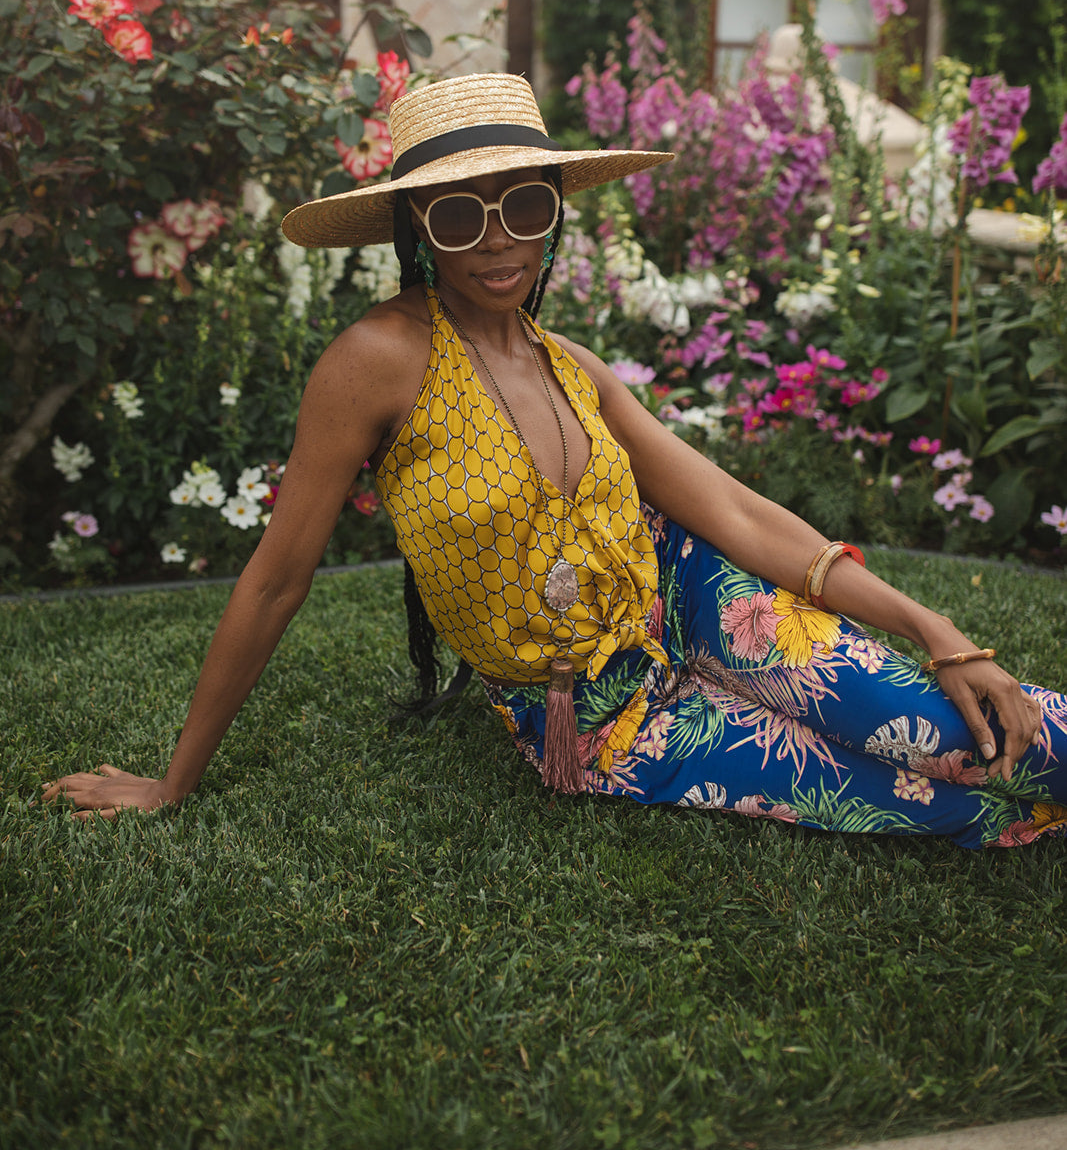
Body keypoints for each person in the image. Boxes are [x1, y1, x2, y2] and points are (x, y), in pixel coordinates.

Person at [46, 74, 1067, 849]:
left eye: (522, 207)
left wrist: (935, 625)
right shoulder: (375, 362)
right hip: (595, 715)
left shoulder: (571, 365)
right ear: (417, 228)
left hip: (696, 596)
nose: (497, 244)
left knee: (931, 713)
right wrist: (171, 781)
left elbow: (737, 516)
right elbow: (276, 577)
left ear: (553, 210)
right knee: (942, 792)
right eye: (459, 214)